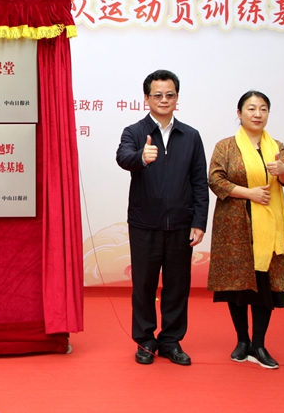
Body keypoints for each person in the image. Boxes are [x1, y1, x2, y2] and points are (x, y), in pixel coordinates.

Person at [116, 69, 208, 366]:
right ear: (146, 98)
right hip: (144, 224)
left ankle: (171, 341)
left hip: (181, 225)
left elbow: (199, 181)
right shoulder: (134, 132)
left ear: (177, 98)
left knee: (177, 286)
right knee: (143, 285)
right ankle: (145, 341)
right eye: (157, 95)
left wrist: (199, 222)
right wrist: (141, 158)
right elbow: (123, 157)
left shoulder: (190, 136)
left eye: (170, 95)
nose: (164, 100)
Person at [207, 91, 284, 369]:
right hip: (234, 227)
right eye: (251, 108)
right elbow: (215, 180)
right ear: (239, 113)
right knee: (238, 285)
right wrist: (249, 193)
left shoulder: (277, 146)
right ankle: (242, 340)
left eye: (263, 109)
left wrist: (283, 170)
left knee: (264, 285)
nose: (258, 114)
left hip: (268, 227)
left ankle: (259, 344)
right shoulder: (225, 146)